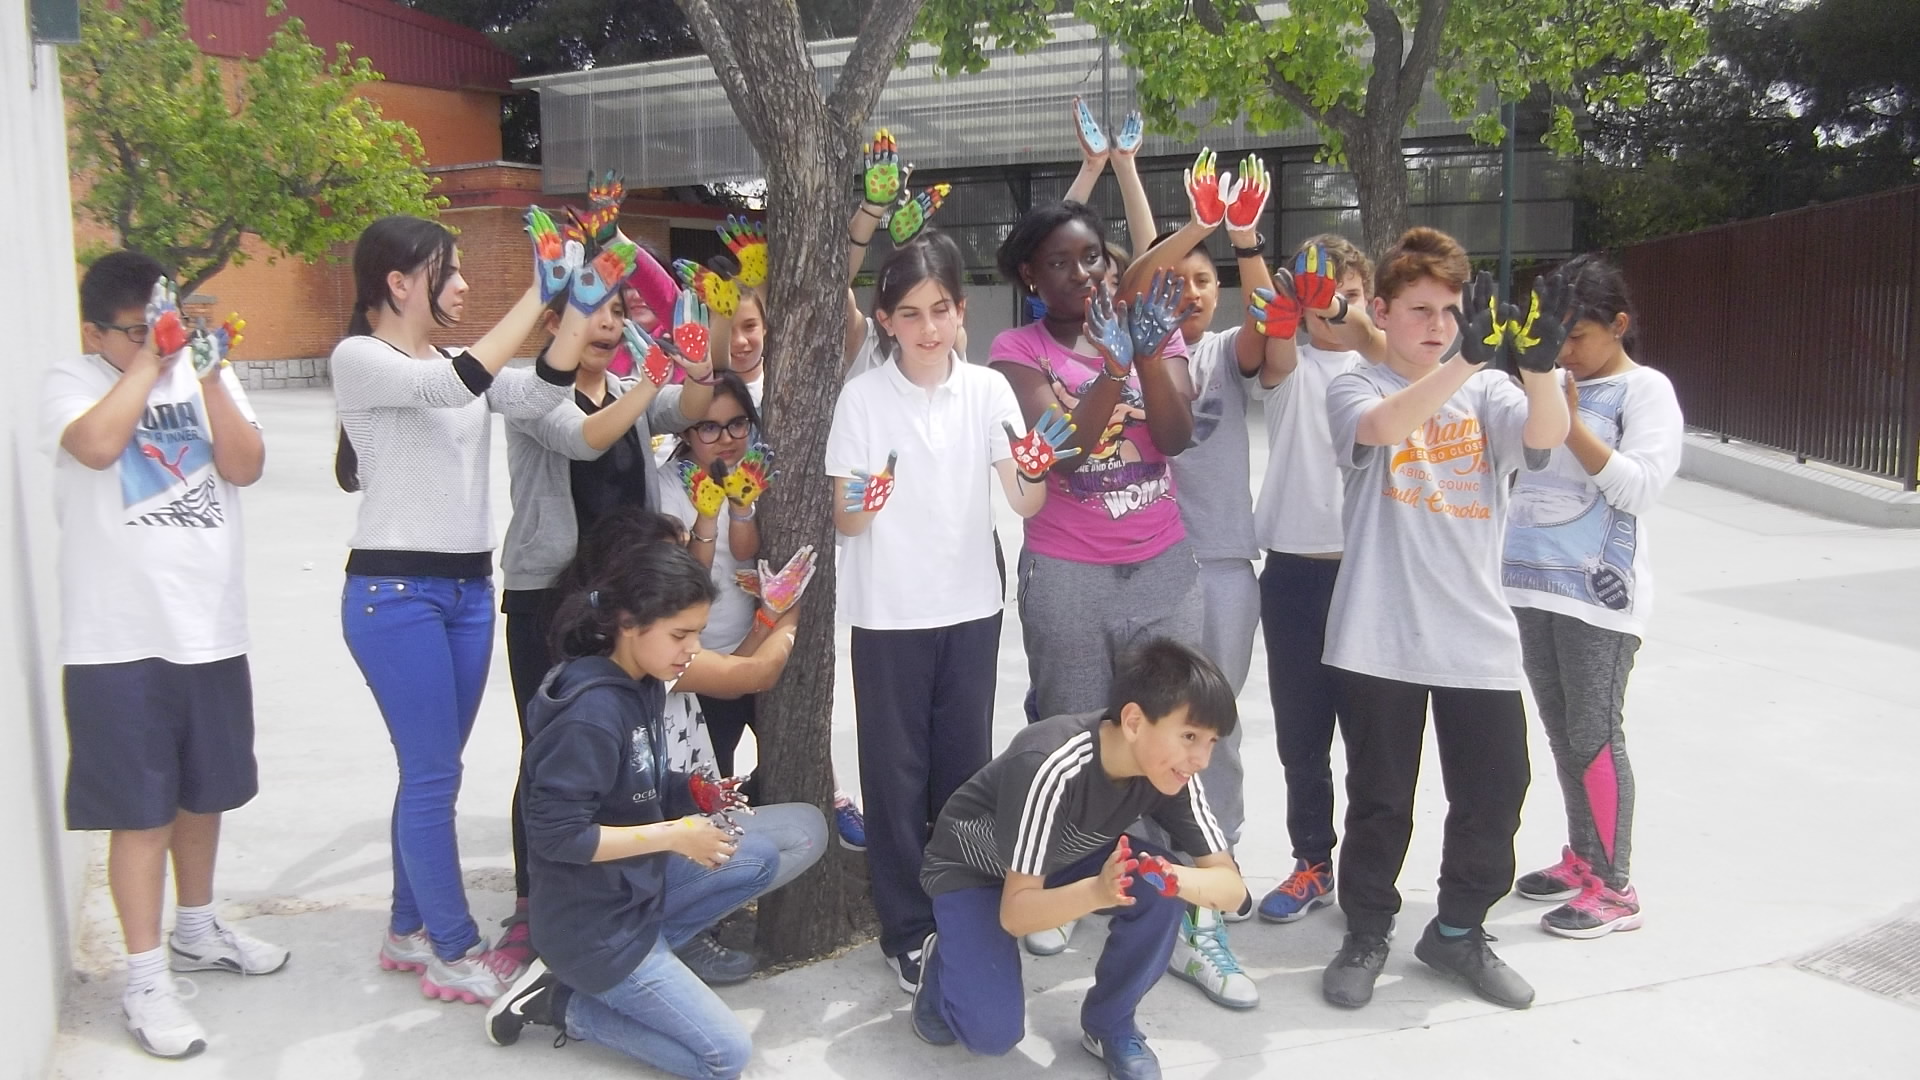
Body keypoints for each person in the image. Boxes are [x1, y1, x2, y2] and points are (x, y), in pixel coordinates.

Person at [332, 211, 626, 1004]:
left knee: (433, 773)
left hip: (466, 592)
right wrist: (542, 289)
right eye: (449, 270)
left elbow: (539, 390)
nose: (462, 283)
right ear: (399, 283)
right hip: (395, 595)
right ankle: (453, 948)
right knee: (432, 776)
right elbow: (450, 386)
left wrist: (576, 301)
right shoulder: (361, 358)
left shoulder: (461, 360)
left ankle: (405, 927)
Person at [1318, 226, 1570, 1011]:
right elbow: (1385, 430)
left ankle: (1458, 931)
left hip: (1476, 637)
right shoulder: (1352, 384)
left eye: (1452, 311)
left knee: (1495, 792)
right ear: (1383, 311)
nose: (1437, 324)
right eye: (1421, 309)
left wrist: (1538, 369)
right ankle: (1366, 929)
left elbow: (1545, 438)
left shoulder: (1491, 392)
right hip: (1377, 635)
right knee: (1382, 799)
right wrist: (1467, 358)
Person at [482, 519, 824, 1078]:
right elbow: (556, 836)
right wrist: (676, 834)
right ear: (627, 623)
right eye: (681, 635)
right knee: (725, 1057)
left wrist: (690, 792)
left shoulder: (639, 680)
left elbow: (632, 782)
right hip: (594, 929)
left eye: (697, 634)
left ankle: (662, 948)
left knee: (798, 832)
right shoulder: (589, 716)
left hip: (633, 889)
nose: (692, 650)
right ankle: (561, 1002)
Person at [47, 251, 280, 1059]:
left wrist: (209, 376)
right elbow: (98, 447)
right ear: (98, 332)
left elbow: (246, 464)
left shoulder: (202, 376)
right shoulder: (72, 381)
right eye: (138, 329)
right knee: (138, 815)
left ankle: (197, 927)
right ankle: (144, 978)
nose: (161, 338)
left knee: (204, 792)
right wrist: (150, 359)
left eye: (165, 321)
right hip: (118, 641)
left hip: (208, 628)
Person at [827, 230, 1065, 994]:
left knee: (963, 774)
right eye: (909, 313)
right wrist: (867, 500)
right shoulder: (862, 399)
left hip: (970, 608)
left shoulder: (990, 392)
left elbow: (1023, 499)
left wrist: (1038, 472)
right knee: (894, 779)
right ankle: (905, 928)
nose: (928, 328)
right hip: (888, 613)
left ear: (962, 313)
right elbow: (847, 520)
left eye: (940, 310)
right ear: (887, 320)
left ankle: (961, 909)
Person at [1092, 149, 1280, 1007]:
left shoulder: (1230, 356)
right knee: (1145, 728)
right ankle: (1135, 869)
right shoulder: (1146, 351)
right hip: (1148, 564)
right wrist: (1129, 171)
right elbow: (1142, 269)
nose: (1193, 290)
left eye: (1207, 281)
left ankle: (1212, 871)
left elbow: (1272, 327)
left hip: (1223, 567)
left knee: (1214, 731)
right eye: (1182, 277)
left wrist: (1241, 240)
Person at [497, 276, 716, 970]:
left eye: (618, 311)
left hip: (626, 604)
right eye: (589, 310)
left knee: (634, 746)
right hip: (549, 600)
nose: (607, 323)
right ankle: (534, 910)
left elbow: (698, 403)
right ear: (555, 320)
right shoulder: (528, 389)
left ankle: (628, 892)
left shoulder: (633, 392)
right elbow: (586, 440)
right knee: (551, 754)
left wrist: (694, 354)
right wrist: (651, 380)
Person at [912, 639, 1245, 1080]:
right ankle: (944, 960)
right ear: (1133, 721)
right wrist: (1095, 891)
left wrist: (1176, 878)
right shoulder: (1049, 760)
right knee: (989, 1038)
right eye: (1188, 736)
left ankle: (1110, 1024)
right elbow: (1015, 915)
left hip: (1062, 858)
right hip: (973, 870)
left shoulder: (1174, 773)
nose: (1201, 759)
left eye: (1211, 742)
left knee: (1156, 887)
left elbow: (1232, 889)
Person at [1503, 255, 1682, 938]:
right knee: (1561, 730)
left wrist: (1570, 421)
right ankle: (1583, 857)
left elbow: (1638, 488)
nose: (1565, 349)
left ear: (1620, 326)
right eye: (1555, 334)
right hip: (1529, 582)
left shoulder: (1646, 392)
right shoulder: (1547, 378)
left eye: (1578, 335)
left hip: (1596, 596)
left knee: (1594, 734)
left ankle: (1615, 885)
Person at [1244, 235, 1388, 925]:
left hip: (1373, 572)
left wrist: (1349, 313)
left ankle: (1366, 871)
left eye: (1347, 295)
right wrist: (1288, 308)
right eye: (1315, 297)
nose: (1330, 309)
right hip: (1296, 574)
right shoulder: (1290, 366)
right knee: (1302, 737)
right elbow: (1273, 350)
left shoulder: (1389, 372)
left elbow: (1393, 351)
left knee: (1373, 737)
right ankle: (1312, 862)